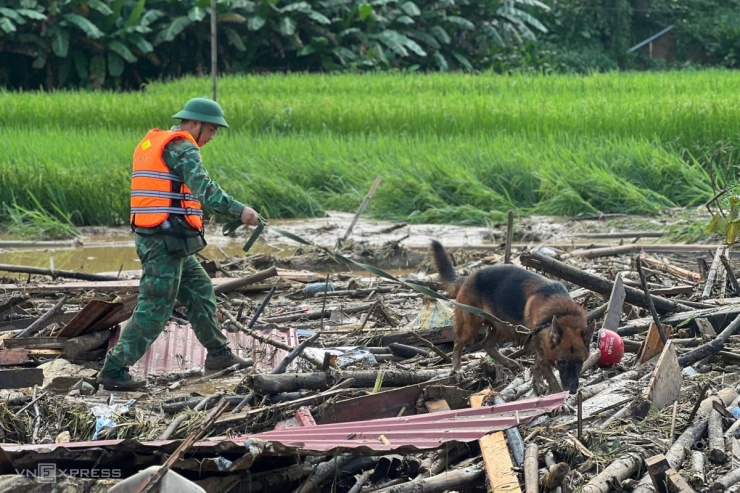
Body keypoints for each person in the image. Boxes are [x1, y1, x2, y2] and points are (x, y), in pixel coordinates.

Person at [98, 97, 259, 391]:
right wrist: (241, 211)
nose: (212, 137)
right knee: (155, 307)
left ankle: (219, 354)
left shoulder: (158, 144)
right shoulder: (183, 148)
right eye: (211, 130)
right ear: (195, 124)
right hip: (163, 242)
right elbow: (206, 190)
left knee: (200, 291)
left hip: (169, 239)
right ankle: (114, 369)